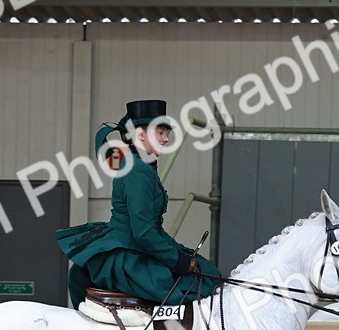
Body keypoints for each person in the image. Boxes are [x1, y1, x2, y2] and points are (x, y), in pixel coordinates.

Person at [56, 99, 222, 308]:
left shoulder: (142, 166)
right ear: (141, 135)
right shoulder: (137, 170)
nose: (166, 138)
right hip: (129, 254)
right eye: (160, 133)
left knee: (206, 272)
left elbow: (153, 229)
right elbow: (143, 232)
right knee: (198, 286)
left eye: (166, 133)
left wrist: (179, 252)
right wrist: (178, 260)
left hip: (136, 246)